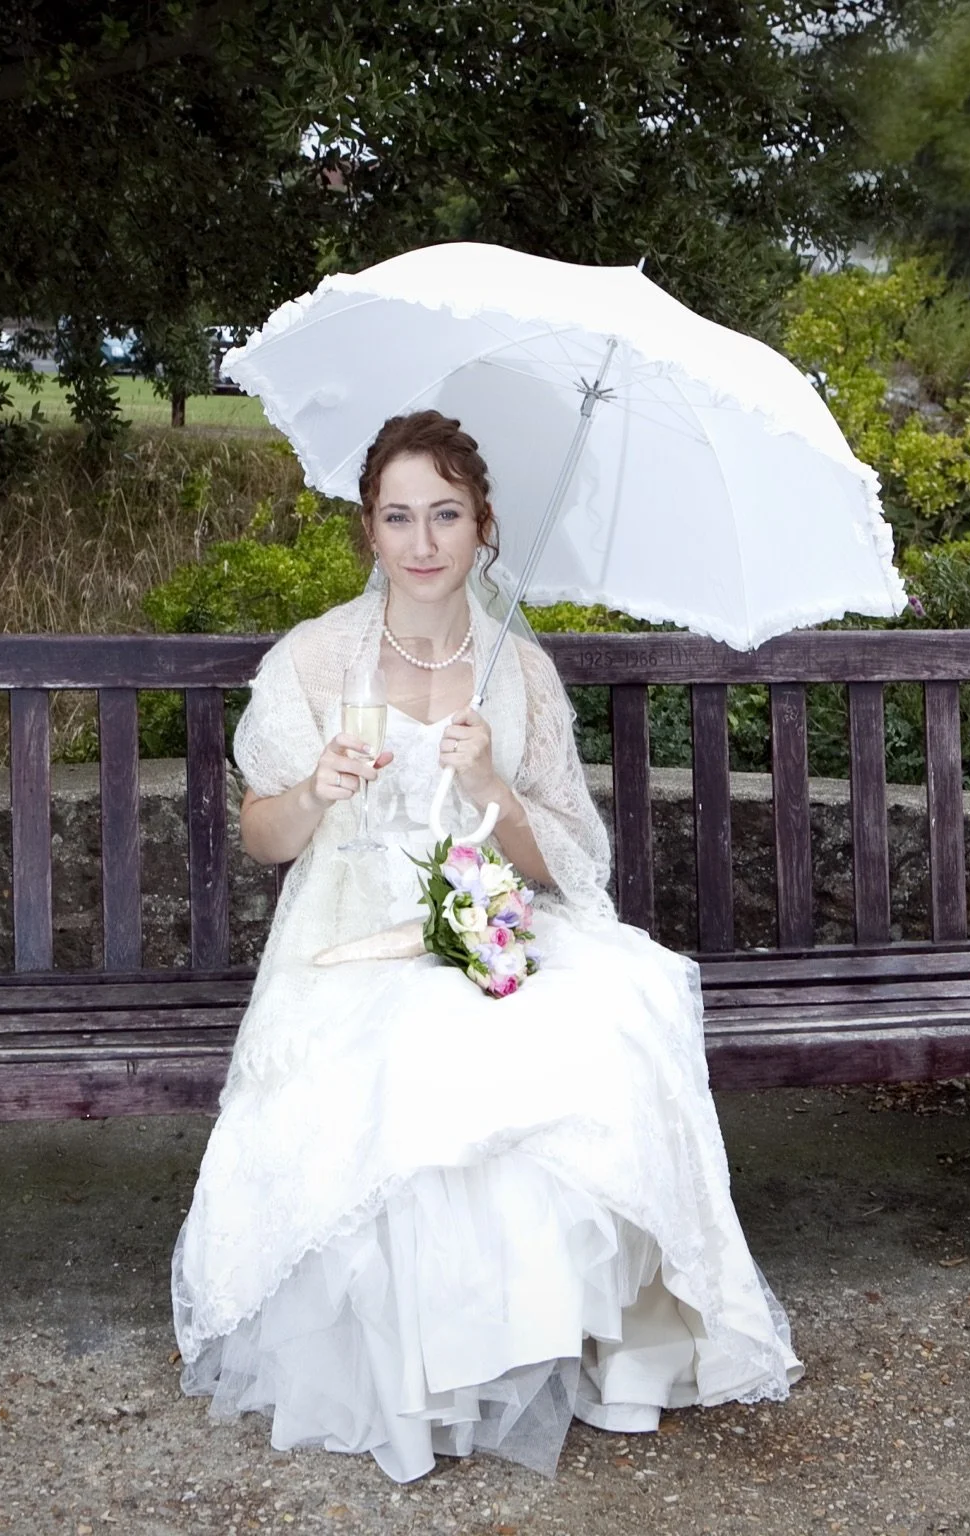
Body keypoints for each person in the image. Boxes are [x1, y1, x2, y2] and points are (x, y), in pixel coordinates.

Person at [170, 410, 801, 1483]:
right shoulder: (315, 661)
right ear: (368, 531)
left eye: (446, 515)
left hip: (492, 919)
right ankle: (430, 1384)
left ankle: (611, 1355)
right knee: (421, 1056)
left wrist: (493, 790)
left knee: (619, 1012)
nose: (423, 543)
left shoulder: (521, 673)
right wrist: (315, 793)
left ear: (482, 527)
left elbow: (569, 861)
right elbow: (262, 840)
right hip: (350, 935)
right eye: (399, 517)